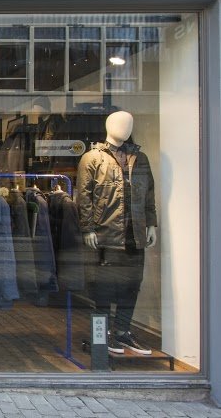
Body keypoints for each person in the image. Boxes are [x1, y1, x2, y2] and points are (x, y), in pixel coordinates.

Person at [76, 111, 157, 356]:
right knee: (104, 288)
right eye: (121, 123)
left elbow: (148, 194)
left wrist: (151, 224)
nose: (126, 127)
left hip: (135, 234)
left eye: (129, 124)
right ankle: (101, 336)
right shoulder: (92, 158)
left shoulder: (140, 158)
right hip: (106, 234)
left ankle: (122, 331)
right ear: (108, 125)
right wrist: (88, 228)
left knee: (132, 285)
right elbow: (84, 197)